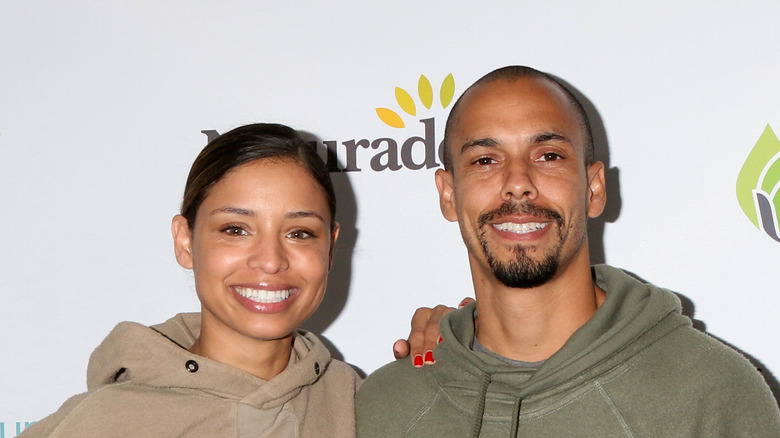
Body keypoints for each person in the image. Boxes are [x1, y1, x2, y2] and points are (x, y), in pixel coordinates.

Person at [356, 66, 780, 436]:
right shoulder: (385, 408)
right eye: (485, 160)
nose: (517, 181)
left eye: (549, 155)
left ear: (594, 189)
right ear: (448, 195)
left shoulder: (712, 393)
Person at [20, 123, 440, 438]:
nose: (271, 261)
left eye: (299, 233)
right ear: (185, 241)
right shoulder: (100, 424)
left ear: (330, 248)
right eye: (236, 229)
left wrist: (466, 355)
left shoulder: (363, 409)